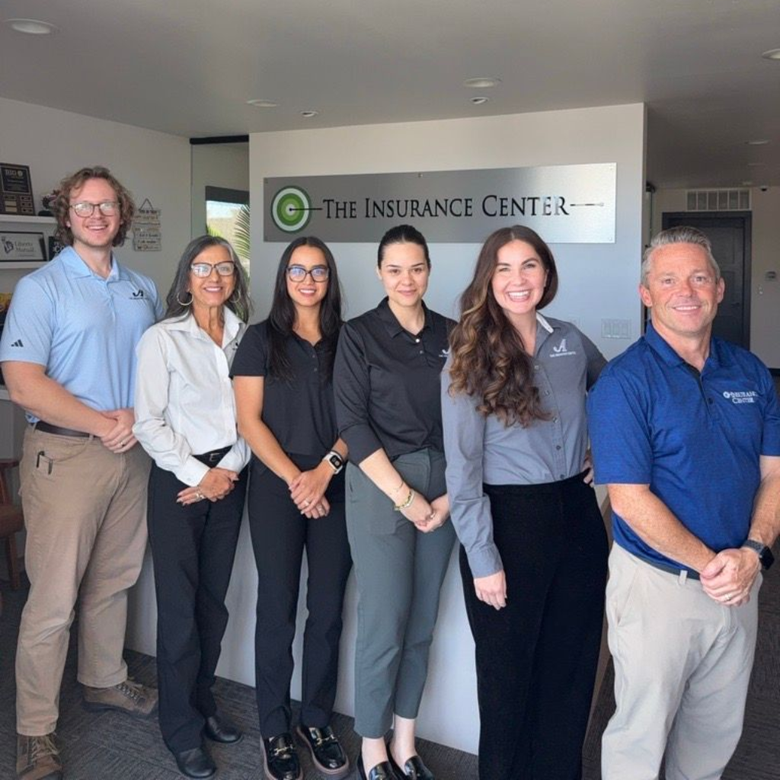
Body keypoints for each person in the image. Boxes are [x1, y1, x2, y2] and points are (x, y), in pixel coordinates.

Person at [588, 226, 780, 780]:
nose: (686, 291)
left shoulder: (750, 373)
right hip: (659, 588)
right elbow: (627, 499)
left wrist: (751, 554)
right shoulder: (625, 382)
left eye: (699, 277)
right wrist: (713, 567)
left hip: (740, 580)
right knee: (639, 738)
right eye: (668, 279)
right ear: (647, 294)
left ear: (720, 289)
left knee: (714, 733)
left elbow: (774, 473)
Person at [0, 166, 161, 780]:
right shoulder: (41, 287)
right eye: (83, 206)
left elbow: (155, 372)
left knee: (115, 579)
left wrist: (136, 419)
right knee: (53, 600)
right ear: (66, 216)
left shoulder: (141, 287)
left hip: (132, 452)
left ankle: (104, 679)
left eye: (107, 205)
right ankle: (34, 732)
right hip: (66, 456)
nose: (96, 215)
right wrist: (101, 423)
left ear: (121, 214)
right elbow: (22, 383)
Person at [441, 225, 608, 780]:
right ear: (488, 278)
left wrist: (601, 453)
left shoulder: (570, 339)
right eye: (505, 268)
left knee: (570, 668)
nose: (519, 280)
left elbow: (615, 395)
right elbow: (462, 469)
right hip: (508, 524)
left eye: (530, 265)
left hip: (577, 519)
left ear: (546, 273)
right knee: (508, 679)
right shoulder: (468, 353)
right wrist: (483, 558)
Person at [334, 224, 455, 780]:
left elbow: (475, 419)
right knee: (385, 621)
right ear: (379, 273)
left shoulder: (455, 334)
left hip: (446, 490)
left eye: (417, 268)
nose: (407, 280)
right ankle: (372, 746)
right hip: (383, 485)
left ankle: (405, 740)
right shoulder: (359, 335)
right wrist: (406, 498)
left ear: (429, 270)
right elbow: (353, 427)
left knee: (423, 621)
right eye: (395, 269)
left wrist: (453, 496)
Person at [232, 236, 352, 780]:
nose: (308, 280)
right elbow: (249, 421)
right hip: (278, 487)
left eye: (318, 271)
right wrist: (297, 480)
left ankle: (315, 718)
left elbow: (360, 418)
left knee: (327, 609)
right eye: (297, 270)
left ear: (330, 279)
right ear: (283, 277)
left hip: (338, 482)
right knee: (276, 607)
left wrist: (324, 470)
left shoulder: (350, 340)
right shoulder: (260, 340)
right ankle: (274, 727)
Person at [133, 236, 251, 779]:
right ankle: (180, 730)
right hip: (180, 484)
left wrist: (225, 473)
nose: (213, 276)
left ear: (234, 278)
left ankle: (203, 704)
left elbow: (254, 419)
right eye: (203, 267)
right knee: (179, 613)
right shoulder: (161, 340)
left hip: (229, 479)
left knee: (212, 604)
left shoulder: (246, 338)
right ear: (186, 278)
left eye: (224, 268)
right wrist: (199, 475)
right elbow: (148, 422)